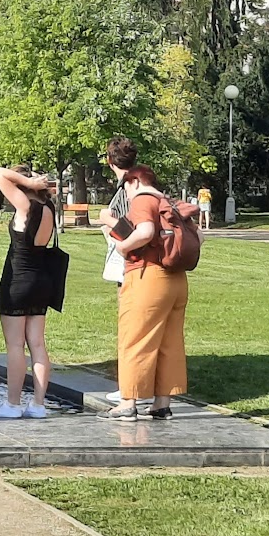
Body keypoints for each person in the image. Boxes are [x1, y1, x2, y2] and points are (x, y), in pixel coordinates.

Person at [99, 165, 188, 422]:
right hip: (177, 279)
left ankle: (128, 402)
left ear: (135, 181)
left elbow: (146, 232)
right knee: (169, 343)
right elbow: (199, 237)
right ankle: (162, 403)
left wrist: (123, 247)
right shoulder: (169, 202)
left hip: (147, 276)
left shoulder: (142, 200)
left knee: (135, 338)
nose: (125, 194)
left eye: (125, 187)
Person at [0, 165, 58, 419]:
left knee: (15, 345)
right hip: (42, 281)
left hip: (18, 280)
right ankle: (38, 404)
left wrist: (29, 183)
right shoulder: (49, 208)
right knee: (38, 344)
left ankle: (12, 404)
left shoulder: (25, 207)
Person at [98, 136, 148, 410]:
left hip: (129, 265)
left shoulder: (129, 189)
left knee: (130, 326)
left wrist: (108, 223)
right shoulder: (138, 183)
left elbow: (135, 230)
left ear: (109, 160)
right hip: (133, 264)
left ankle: (130, 389)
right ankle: (137, 387)